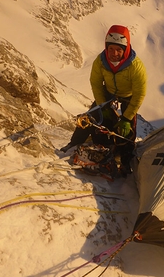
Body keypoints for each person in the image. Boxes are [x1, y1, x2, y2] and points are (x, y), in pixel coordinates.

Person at [60, 25, 147, 170]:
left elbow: (139, 94)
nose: (114, 53)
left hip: (128, 96)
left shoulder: (135, 67)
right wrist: (102, 105)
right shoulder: (101, 61)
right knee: (91, 117)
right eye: (111, 49)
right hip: (108, 93)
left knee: (128, 129)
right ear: (106, 47)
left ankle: (126, 160)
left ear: (125, 50)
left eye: (119, 50)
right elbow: (96, 83)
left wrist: (126, 118)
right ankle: (74, 143)